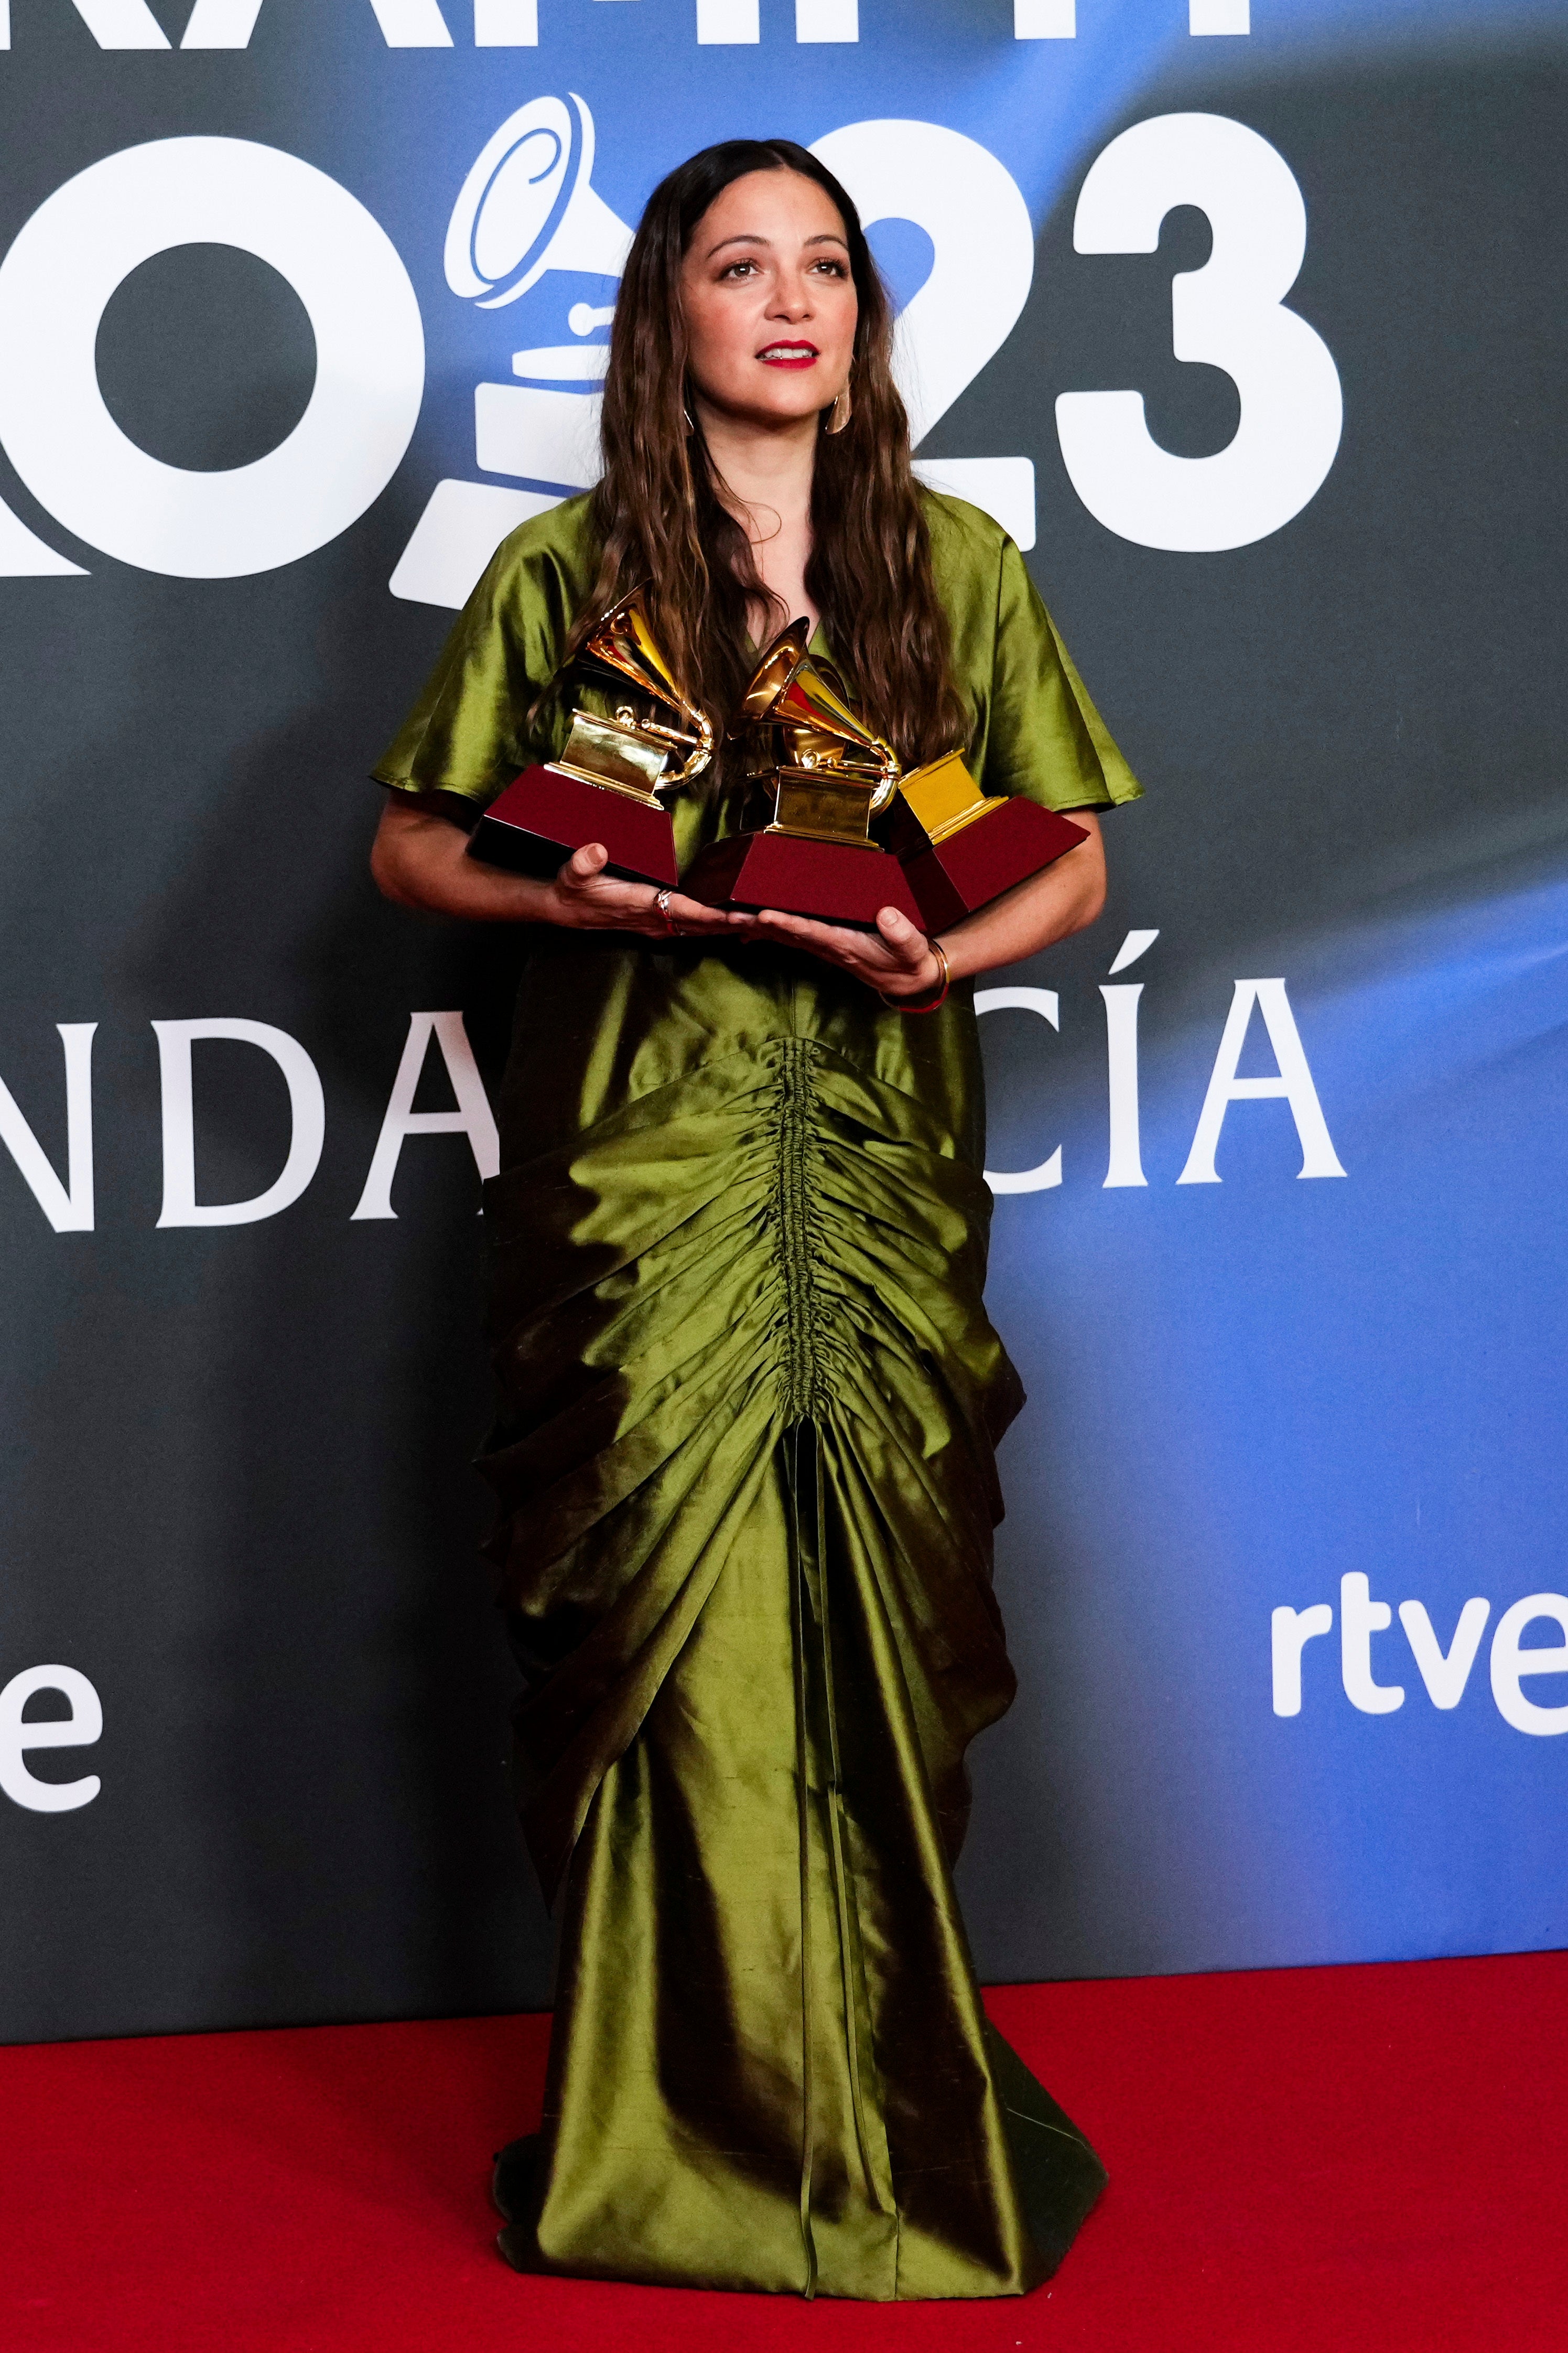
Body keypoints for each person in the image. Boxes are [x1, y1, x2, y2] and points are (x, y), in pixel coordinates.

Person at [370, 137, 1139, 2303]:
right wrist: (555, 890)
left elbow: (1070, 855)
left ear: (860, 321)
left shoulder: (950, 562)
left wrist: (945, 963)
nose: (789, 301)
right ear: (670, 316)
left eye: (825, 266)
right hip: (644, 1173)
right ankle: (665, 2144)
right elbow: (414, 859)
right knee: (672, 1661)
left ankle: (884, 2108)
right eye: (740, 266)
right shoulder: (564, 568)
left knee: (883, 1633)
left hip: (878, 1156)